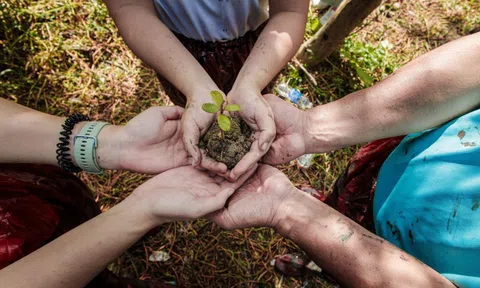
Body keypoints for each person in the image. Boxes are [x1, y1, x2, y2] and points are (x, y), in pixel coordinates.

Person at [211, 32, 480, 287]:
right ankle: (320, 238)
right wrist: (309, 127)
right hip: (399, 164)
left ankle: (323, 259)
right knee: (345, 199)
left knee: (336, 260)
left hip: (402, 266)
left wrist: (290, 210)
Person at [0, 98, 255, 287]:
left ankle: (115, 243)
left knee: (73, 213)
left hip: (21, 194)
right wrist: (140, 212)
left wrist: (115, 143)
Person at [104, 0, 309, 180]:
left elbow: (290, 11)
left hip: (259, 50)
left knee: (254, 108)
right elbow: (129, 7)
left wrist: (251, 84)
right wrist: (195, 89)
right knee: (188, 107)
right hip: (175, 52)